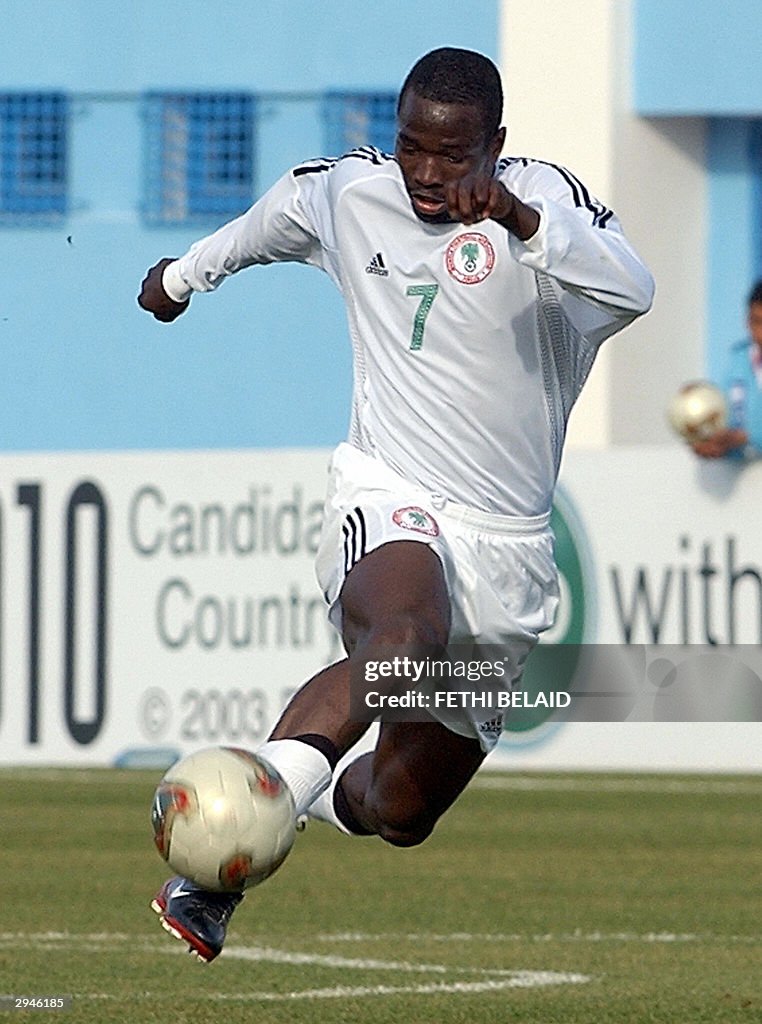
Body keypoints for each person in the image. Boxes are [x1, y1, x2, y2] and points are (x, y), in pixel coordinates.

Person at [138, 46, 654, 962]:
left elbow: (633, 289)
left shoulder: (545, 201)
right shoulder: (352, 193)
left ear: (495, 145)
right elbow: (266, 223)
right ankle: (216, 871)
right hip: (394, 494)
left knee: (400, 810)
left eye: (452, 156)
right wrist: (183, 278)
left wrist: (519, 219)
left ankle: (321, 794)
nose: (426, 173)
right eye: (412, 147)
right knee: (402, 640)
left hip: (511, 552)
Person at [690, 280, 762, 459]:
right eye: (757, 321)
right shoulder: (738, 362)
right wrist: (710, 441)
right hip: (746, 480)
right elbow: (726, 416)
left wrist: (748, 437)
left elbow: (743, 436)